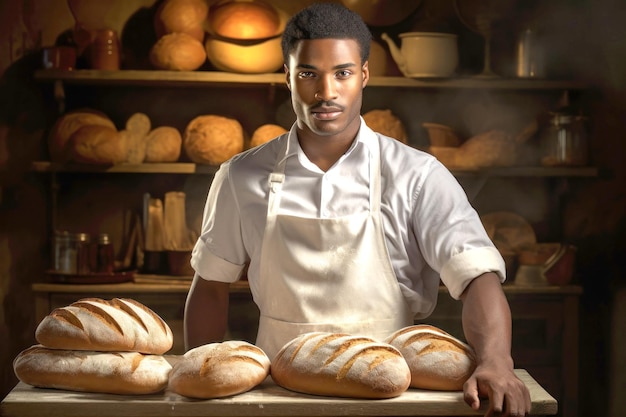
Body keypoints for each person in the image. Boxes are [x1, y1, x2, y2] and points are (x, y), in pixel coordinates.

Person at [185, 3, 531, 416]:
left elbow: (477, 275)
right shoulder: (242, 176)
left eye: (342, 73)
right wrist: (198, 383)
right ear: (288, 77)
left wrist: (496, 362)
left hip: (395, 396)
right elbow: (209, 285)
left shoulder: (417, 175)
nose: (326, 92)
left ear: (364, 75)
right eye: (308, 73)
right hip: (278, 397)